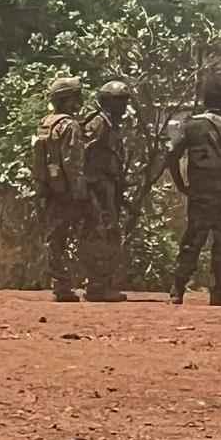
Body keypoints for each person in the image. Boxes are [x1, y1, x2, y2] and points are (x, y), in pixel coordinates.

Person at [165, 79, 221, 307]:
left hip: (200, 195)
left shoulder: (191, 126)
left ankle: (177, 290)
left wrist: (181, 184)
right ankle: (217, 292)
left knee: (192, 241)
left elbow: (171, 155)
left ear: (204, 101)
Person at [33, 75, 93, 303]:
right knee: (85, 232)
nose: (79, 101)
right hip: (67, 190)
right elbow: (72, 162)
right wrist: (80, 192)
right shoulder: (70, 125)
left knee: (55, 237)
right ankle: (71, 284)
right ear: (67, 100)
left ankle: (60, 283)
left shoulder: (46, 123)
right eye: (76, 97)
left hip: (50, 187)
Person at [81, 80, 130, 303]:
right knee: (100, 233)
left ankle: (101, 283)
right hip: (98, 186)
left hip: (108, 185)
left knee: (108, 233)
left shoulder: (111, 124)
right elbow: (84, 152)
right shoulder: (99, 123)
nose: (124, 105)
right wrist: (90, 185)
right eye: (120, 101)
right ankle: (97, 286)